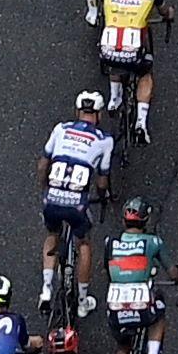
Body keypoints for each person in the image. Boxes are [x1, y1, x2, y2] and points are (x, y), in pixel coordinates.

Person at [39, 90, 120, 295]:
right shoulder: (104, 140)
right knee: (83, 243)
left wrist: (45, 188)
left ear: (77, 111)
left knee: (52, 234)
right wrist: (102, 198)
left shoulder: (60, 129)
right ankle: (83, 299)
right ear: (99, 115)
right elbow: (102, 179)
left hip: (52, 198)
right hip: (77, 204)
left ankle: (46, 288)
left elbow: (43, 165)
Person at [92, 0, 167, 138]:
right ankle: (141, 122)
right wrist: (169, 15)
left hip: (107, 50)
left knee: (113, 59)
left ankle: (114, 98)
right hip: (134, 51)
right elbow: (163, 10)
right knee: (145, 74)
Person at [100, 199, 178, 354]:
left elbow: (108, 271)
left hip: (116, 307)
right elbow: (173, 272)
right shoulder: (153, 241)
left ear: (124, 221)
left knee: (123, 346)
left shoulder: (110, 242)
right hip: (142, 306)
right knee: (158, 314)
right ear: (146, 221)